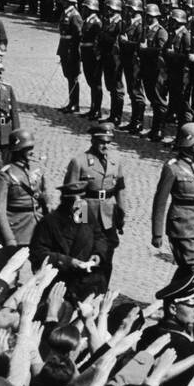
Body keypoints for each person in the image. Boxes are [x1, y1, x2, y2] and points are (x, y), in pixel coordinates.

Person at [151, 122, 194, 335]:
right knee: (193, 269)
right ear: (188, 144)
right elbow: (160, 201)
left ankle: (169, 302)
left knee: (188, 270)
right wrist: (157, 233)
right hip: (182, 225)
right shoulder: (172, 167)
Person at [65, 123, 127, 287]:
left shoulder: (115, 161)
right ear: (93, 140)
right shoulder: (79, 162)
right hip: (88, 214)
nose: (105, 145)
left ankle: (102, 288)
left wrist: (121, 213)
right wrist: (81, 220)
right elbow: (71, 194)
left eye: (108, 142)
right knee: (86, 252)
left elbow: (120, 189)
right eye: (102, 142)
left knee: (107, 252)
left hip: (108, 215)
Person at [0, 128, 49, 247]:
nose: (32, 152)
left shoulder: (36, 170)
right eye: (27, 149)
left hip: (38, 228)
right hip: (17, 230)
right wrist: (8, 238)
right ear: (18, 150)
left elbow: (45, 199)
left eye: (31, 148)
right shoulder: (5, 174)